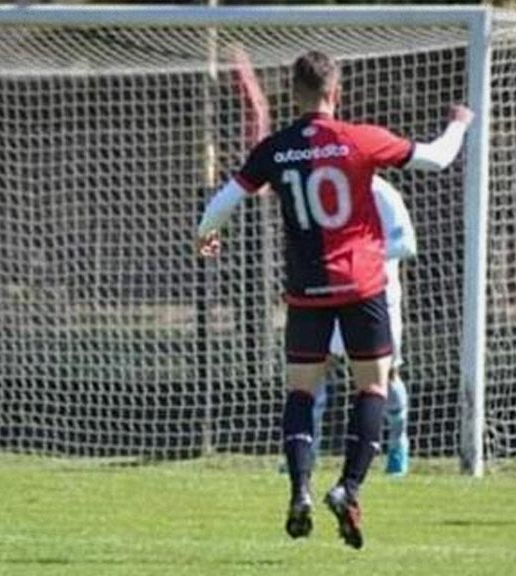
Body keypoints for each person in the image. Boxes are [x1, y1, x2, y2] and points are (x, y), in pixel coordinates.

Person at [196, 49, 472, 549]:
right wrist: (459, 123)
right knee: (373, 388)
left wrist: (205, 234)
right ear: (335, 93)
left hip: (307, 292)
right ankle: (348, 487)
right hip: (362, 287)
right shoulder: (360, 139)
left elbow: (222, 202)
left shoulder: (275, 149)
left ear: (293, 96)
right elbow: (437, 157)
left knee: (301, 392)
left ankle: (300, 489)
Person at [285, 176, 417, 477]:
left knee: (386, 374)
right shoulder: (322, 187)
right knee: (314, 370)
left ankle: (398, 444)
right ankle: (308, 449)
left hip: (375, 297)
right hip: (329, 293)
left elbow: (406, 243)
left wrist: (360, 257)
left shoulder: (382, 192)